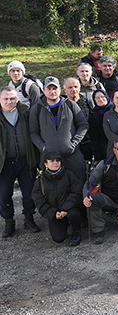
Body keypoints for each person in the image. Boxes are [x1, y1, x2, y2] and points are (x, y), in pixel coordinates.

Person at [30, 77, 89, 185]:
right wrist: (43, 146)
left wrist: (74, 143)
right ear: (44, 90)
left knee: (79, 185)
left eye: (55, 88)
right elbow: (33, 132)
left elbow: (83, 125)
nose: (52, 91)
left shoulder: (70, 105)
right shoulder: (36, 109)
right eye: (49, 88)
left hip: (72, 154)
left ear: (60, 89)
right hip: (49, 157)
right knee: (53, 190)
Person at [0, 86, 40, 237]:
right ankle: (9, 222)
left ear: (17, 99)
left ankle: (29, 219)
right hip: (5, 163)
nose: (9, 101)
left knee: (29, 193)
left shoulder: (25, 113)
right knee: (4, 195)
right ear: (0, 100)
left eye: (12, 98)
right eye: (6, 99)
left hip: (25, 160)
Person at [32, 151, 83, 246]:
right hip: (54, 212)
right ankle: (64, 225)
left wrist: (65, 208)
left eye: (58, 160)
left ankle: (77, 232)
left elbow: (77, 191)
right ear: (45, 164)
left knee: (74, 213)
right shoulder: (40, 180)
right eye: (52, 161)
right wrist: (53, 213)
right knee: (58, 238)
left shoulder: (69, 174)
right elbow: (39, 200)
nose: (55, 163)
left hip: (69, 209)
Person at [63, 77, 93, 164]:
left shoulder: (87, 102)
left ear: (79, 88)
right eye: (70, 87)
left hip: (86, 142)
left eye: (76, 87)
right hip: (69, 143)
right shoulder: (62, 105)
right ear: (65, 90)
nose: (73, 89)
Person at [88, 89, 111, 163]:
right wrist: (98, 157)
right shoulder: (94, 116)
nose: (100, 99)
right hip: (103, 150)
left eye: (102, 96)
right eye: (97, 98)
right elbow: (94, 139)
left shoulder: (115, 110)